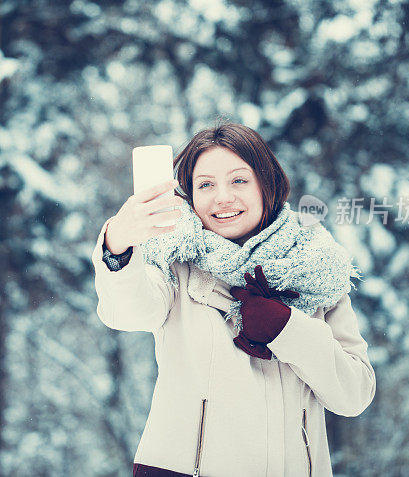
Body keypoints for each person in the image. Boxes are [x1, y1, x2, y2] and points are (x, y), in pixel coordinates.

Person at [92, 123, 376, 476]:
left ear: (265, 184)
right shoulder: (173, 260)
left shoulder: (317, 267)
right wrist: (118, 246)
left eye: (239, 180)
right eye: (206, 184)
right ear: (191, 195)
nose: (222, 197)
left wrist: (288, 329)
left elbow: (354, 394)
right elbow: (127, 312)